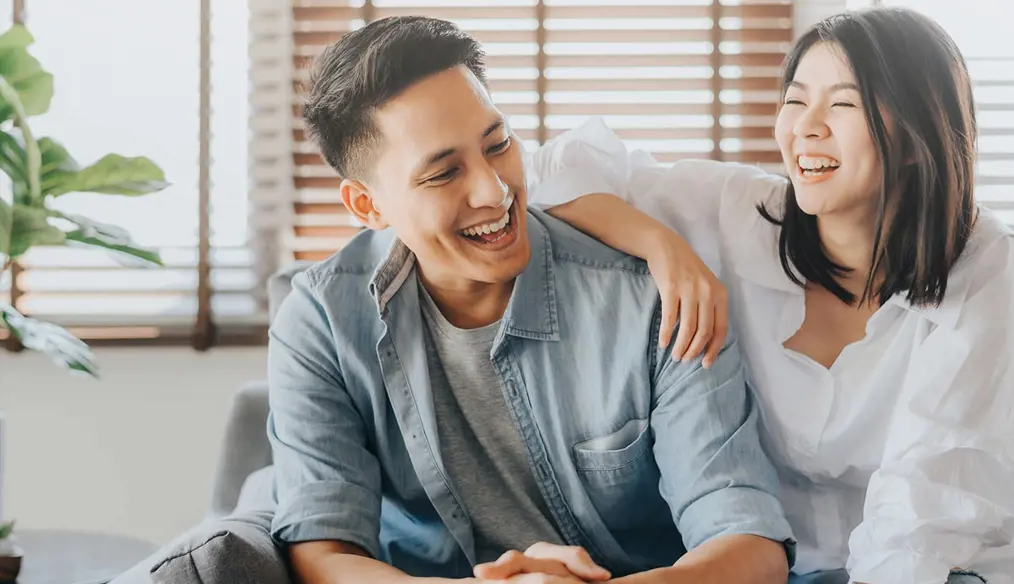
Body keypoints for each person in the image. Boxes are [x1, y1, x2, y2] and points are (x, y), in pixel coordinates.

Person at [267, 14, 795, 584]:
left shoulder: (653, 301)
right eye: (443, 174)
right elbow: (320, 555)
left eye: (498, 145)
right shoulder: (321, 320)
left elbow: (749, 545)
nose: (494, 192)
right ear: (367, 206)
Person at [524, 7, 1014, 584]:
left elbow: (919, 517)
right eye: (795, 99)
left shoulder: (990, 276)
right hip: (773, 568)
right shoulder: (741, 214)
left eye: (843, 104)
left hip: (936, 569)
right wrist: (662, 247)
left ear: (916, 136)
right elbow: (552, 169)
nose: (806, 127)